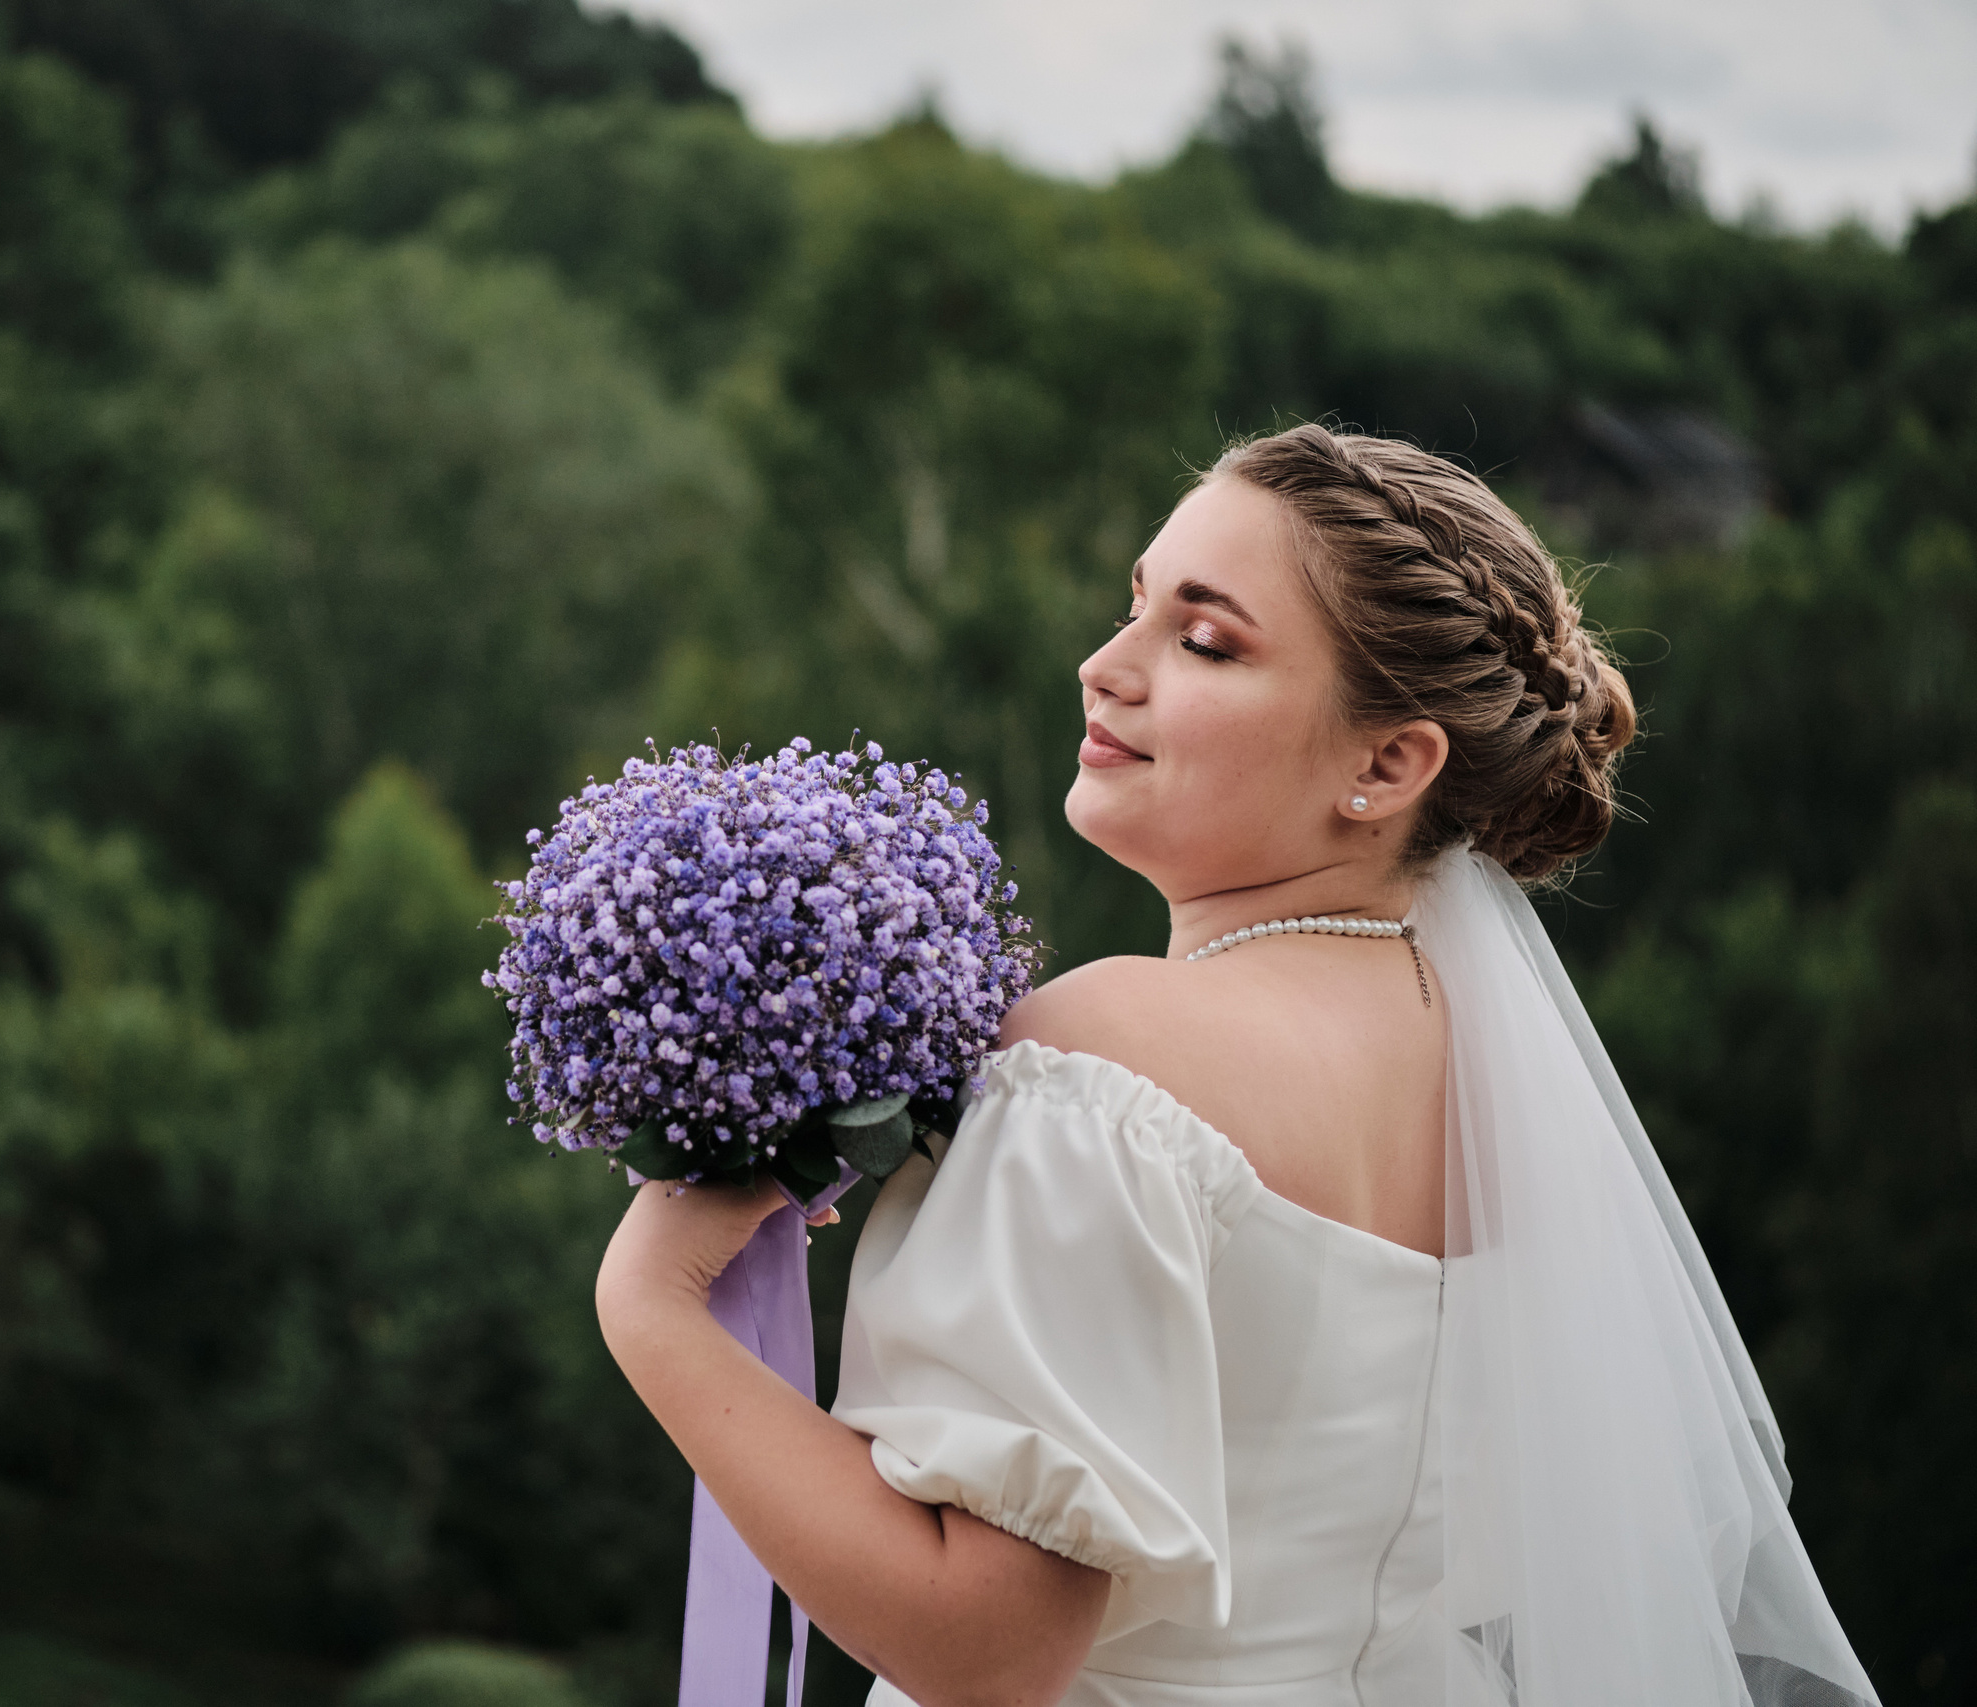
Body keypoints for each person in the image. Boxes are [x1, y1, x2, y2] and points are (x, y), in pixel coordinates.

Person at [595, 424, 1877, 1707]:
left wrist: (657, 1313)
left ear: (1387, 764)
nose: (1104, 669)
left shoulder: (1104, 1062)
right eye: (1133, 609)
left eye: (1204, 641)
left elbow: (988, 1653)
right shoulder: (1493, 1089)